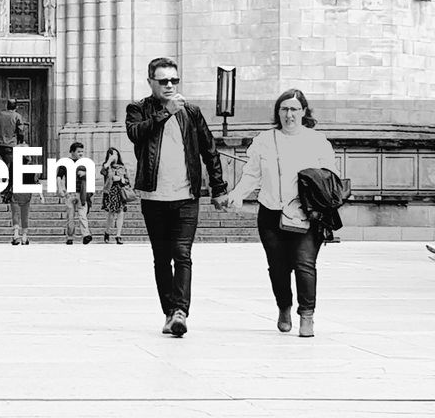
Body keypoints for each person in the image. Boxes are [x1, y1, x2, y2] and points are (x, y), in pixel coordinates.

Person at [126, 57, 228, 338]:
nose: (170, 85)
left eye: (174, 80)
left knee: (182, 254)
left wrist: (218, 188)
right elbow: (136, 134)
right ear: (151, 83)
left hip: (186, 196)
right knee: (161, 258)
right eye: (163, 81)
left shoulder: (192, 112)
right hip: (153, 196)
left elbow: (210, 150)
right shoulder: (138, 108)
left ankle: (181, 312)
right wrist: (165, 113)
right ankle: (169, 313)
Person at [227, 89, 337, 337]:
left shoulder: (318, 141)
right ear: (278, 112)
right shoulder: (265, 140)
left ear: (304, 112)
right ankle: (284, 307)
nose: (289, 114)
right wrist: (237, 193)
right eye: (284, 109)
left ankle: (306, 316)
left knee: (305, 264)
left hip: (306, 214)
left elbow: (328, 178)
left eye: (295, 109)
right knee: (277, 267)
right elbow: (252, 174)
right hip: (271, 212)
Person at [4, 135, 42, 245]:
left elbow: (9, 179)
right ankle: (25, 237)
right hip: (27, 193)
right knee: (25, 214)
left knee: (15, 213)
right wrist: (40, 194)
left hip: (16, 191)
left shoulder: (12, 165)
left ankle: (16, 235)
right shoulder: (31, 165)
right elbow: (35, 181)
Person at [56, 140, 93, 245]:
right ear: (72, 152)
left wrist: (85, 173)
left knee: (83, 215)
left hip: (82, 193)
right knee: (70, 217)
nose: (81, 153)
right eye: (78, 151)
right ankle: (70, 237)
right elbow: (59, 176)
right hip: (70, 193)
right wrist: (60, 188)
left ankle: (86, 235)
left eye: (82, 151)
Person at [100, 147, 131, 244]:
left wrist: (122, 180)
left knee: (121, 212)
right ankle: (107, 232)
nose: (114, 156)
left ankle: (118, 235)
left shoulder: (122, 167)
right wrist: (109, 161)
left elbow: (128, 181)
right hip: (110, 191)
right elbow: (103, 171)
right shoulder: (106, 166)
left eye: (116, 154)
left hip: (120, 191)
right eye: (112, 154)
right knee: (111, 214)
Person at [0, 99, 24, 184]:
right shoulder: (17, 116)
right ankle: (7, 181)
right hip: (11, 144)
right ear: (16, 107)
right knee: (10, 164)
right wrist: (21, 142)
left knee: (4, 161)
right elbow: (20, 131)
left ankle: (4, 177)